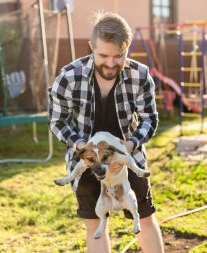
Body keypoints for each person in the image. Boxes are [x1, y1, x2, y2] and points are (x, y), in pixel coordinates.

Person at [48, 11, 164, 253]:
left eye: (118, 56)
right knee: (95, 224)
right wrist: (80, 146)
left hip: (127, 157)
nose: (110, 64)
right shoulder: (68, 77)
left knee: (144, 218)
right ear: (91, 47)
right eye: (103, 55)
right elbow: (57, 121)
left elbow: (149, 119)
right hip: (88, 161)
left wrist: (130, 145)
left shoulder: (141, 76)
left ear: (127, 49)